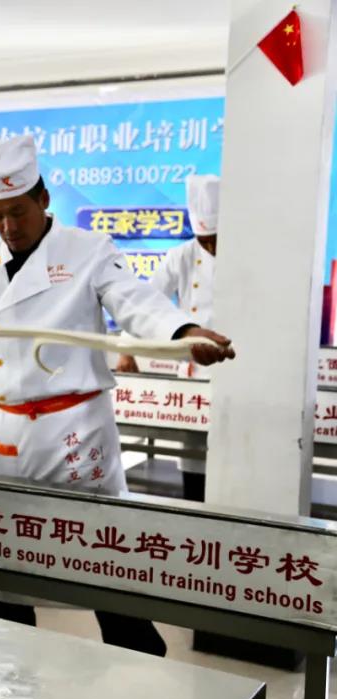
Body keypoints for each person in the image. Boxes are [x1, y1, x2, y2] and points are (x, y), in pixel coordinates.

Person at [0, 134, 235, 655]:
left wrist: (182, 333)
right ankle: (14, 671)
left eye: (18, 212)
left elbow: (136, 301)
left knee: (99, 562)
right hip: (5, 436)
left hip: (74, 434)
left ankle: (143, 665)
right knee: (4, 568)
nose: (9, 227)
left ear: (43, 199)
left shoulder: (88, 251)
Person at [117, 174, 220, 501]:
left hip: (233, 370)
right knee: (194, 460)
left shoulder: (248, 256)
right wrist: (126, 350)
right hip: (194, 374)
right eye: (205, 240)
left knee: (232, 460)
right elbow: (145, 301)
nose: (211, 247)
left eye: (217, 239)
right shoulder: (181, 256)